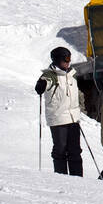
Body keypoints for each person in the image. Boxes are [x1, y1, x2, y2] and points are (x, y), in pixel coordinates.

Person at [35, 46, 84, 176]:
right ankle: (61, 178)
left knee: (75, 151)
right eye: (65, 59)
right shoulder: (51, 75)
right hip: (58, 119)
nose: (68, 62)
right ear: (57, 60)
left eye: (69, 59)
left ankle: (78, 179)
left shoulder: (71, 75)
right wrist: (41, 85)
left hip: (73, 118)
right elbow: (45, 81)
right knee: (60, 150)